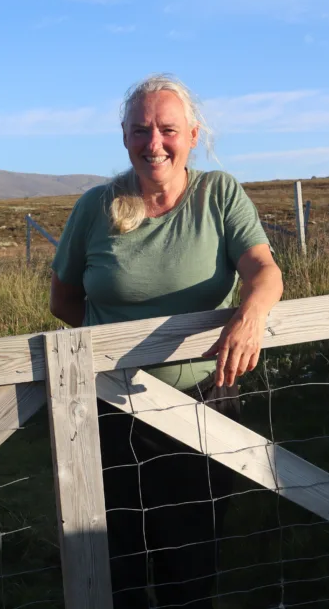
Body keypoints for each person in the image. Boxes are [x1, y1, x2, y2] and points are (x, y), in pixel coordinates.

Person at [49, 74, 283, 608]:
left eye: (168, 130)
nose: (154, 143)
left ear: (193, 136)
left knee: (190, 563)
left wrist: (250, 315)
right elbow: (63, 301)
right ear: (124, 137)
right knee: (115, 560)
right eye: (140, 130)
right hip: (105, 408)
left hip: (201, 402)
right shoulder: (95, 207)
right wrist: (120, 351)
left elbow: (264, 270)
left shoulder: (218, 194)